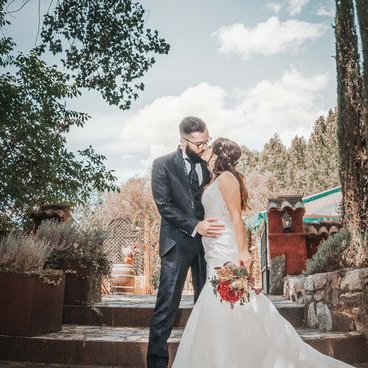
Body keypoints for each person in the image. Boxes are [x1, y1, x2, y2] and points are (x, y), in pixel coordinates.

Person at [172, 137, 356, 368]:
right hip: (214, 250)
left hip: (225, 250)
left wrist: (242, 251)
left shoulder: (227, 178)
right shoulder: (215, 179)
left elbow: (236, 217)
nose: (205, 149)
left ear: (218, 154)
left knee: (231, 302)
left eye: (210, 146)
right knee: (223, 303)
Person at [146, 116, 226, 368]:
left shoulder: (209, 166)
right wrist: (194, 225)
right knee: (166, 308)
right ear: (183, 141)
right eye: (198, 143)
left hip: (207, 247)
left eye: (206, 141)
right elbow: (164, 206)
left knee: (208, 305)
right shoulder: (162, 165)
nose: (203, 147)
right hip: (176, 243)